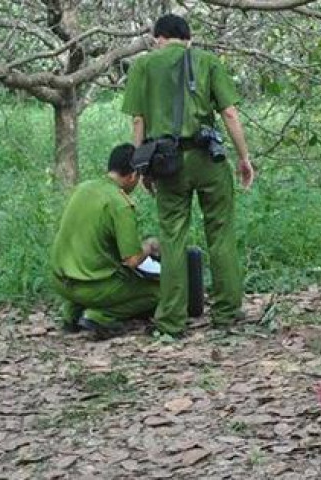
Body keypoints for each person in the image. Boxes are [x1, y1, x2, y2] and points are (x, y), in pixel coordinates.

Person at [121, 14, 254, 336]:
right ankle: (226, 314)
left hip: (168, 164)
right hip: (208, 159)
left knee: (173, 238)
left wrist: (139, 166)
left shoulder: (143, 66)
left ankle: (171, 322)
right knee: (220, 235)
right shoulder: (206, 60)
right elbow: (230, 113)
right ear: (187, 37)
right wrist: (244, 157)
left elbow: (138, 121)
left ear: (158, 38)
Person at [50, 143, 160, 337]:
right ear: (133, 175)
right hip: (94, 287)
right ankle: (99, 316)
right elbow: (132, 260)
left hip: (61, 281)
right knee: (159, 291)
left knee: (94, 266)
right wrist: (150, 246)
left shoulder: (83, 188)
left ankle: (71, 312)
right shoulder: (120, 203)